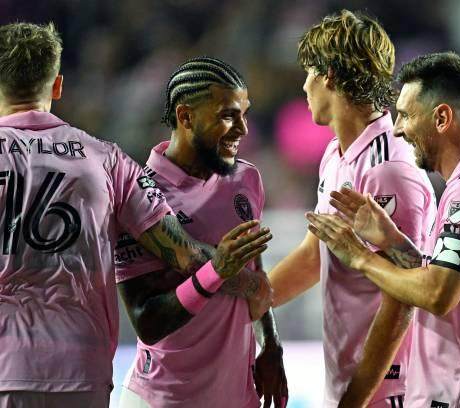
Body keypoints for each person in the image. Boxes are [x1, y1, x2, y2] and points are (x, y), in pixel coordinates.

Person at [0, 22, 271, 408]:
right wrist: (249, 283)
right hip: (80, 372)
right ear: (57, 86)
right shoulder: (108, 159)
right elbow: (186, 254)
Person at [307, 51, 460, 407]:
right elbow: (457, 283)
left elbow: (438, 294)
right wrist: (395, 243)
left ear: (442, 118)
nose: (398, 129)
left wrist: (361, 258)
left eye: (405, 115)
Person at [268, 10, 436, 407]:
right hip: (349, 382)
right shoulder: (337, 155)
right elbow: (314, 256)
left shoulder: (390, 168)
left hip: (388, 391)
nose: (304, 85)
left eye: (309, 72)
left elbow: (403, 298)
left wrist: (355, 400)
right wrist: (242, 307)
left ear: (329, 76)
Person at [115, 56, 288, 408]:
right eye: (228, 116)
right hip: (165, 399)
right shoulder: (139, 195)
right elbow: (147, 322)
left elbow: (253, 274)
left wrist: (270, 345)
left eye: (244, 114)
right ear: (186, 116)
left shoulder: (246, 178)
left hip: (238, 396)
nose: (243, 129)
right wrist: (214, 271)